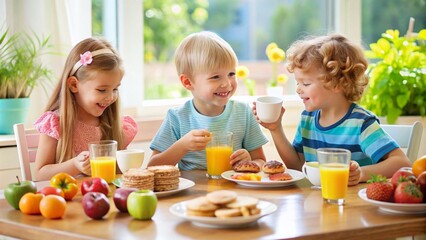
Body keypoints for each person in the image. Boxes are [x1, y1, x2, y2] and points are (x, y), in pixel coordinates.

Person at [253, 34, 411, 185]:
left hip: (352, 204)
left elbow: (401, 162)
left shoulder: (360, 123)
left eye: (306, 84)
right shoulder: (308, 118)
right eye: (298, 83)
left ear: (337, 84)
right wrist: (276, 129)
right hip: (317, 202)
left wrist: (362, 173)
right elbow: (298, 166)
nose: (298, 90)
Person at [148, 31, 268, 170]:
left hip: (233, 190)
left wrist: (251, 161)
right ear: (187, 82)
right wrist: (182, 146)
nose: (227, 84)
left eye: (231, 74)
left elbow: (261, 161)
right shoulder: (177, 117)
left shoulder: (243, 113)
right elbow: (152, 167)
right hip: (192, 191)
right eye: (216, 77)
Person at [34, 37, 138, 180]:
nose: (110, 97)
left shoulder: (115, 124)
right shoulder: (56, 123)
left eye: (115, 89)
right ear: (74, 85)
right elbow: (40, 175)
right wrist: (74, 165)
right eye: (102, 90)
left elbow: (119, 174)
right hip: (69, 199)